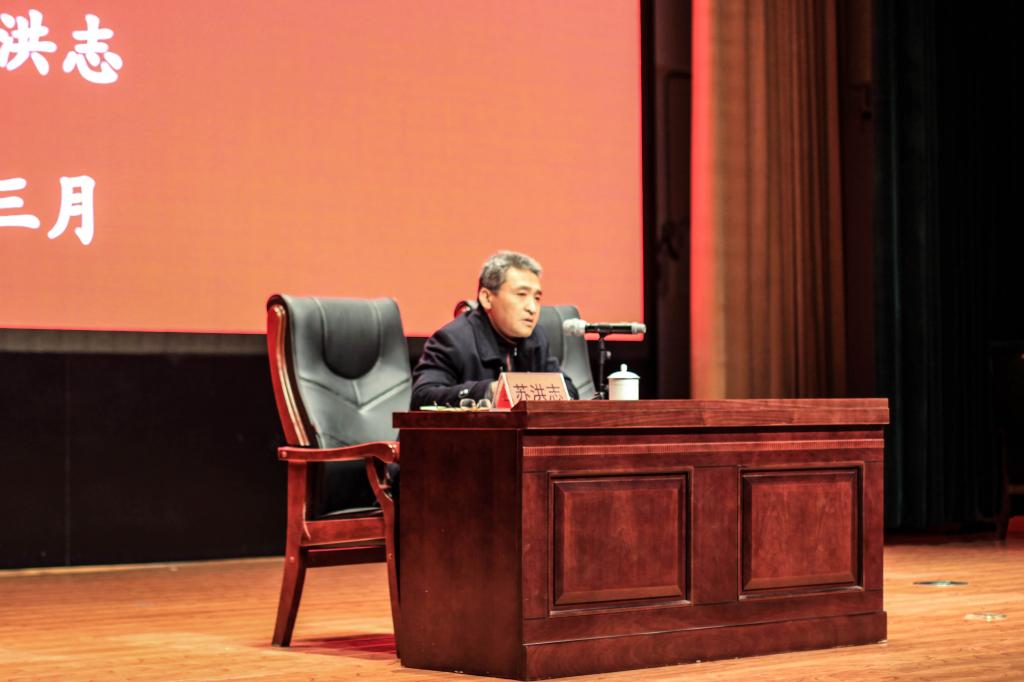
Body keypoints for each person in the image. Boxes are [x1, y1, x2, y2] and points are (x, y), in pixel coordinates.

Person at [410, 250, 578, 409]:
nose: (532, 308)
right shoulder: (453, 339)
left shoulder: (536, 338)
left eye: (537, 297)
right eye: (521, 294)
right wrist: (488, 391)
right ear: (487, 298)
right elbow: (422, 396)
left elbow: (568, 389)